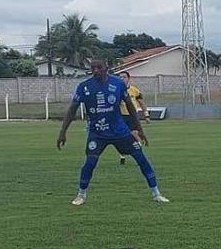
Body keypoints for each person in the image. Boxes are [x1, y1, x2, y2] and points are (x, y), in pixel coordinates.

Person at [57, 60, 168, 205]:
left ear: (106, 68)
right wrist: (63, 132)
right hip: (97, 133)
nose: (96, 70)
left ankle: (156, 194)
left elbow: (130, 106)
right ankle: (81, 195)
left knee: (141, 159)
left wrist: (139, 129)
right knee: (90, 163)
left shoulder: (118, 84)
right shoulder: (84, 87)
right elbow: (72, 109)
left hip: (120, 132)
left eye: (99, 67)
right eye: (93, 68)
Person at [117, 70, 150, 166]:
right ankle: (122, 155)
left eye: (124, 77)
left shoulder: (134, 90)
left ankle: (139, 154)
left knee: (134, 134)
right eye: (120, 77)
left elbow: (142, 103)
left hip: (132, 116)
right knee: (121, 138)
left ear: (128, 78)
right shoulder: (116, 91)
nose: (122, 79)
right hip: (121, 116)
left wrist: (146, 115)